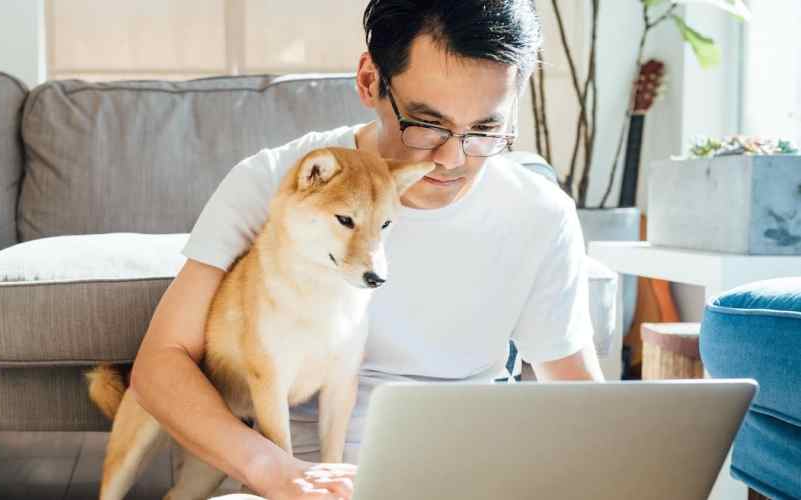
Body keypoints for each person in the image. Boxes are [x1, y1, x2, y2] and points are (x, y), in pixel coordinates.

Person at [129, 1, 605, 498]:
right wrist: (276, 472)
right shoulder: (277, 183)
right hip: (294, 483)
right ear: (369, 81)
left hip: (467, 479)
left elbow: (576, 393)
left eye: (484, 131)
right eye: (427, 123)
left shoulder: (539, 213)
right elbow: (161, 364)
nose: (450, 160)